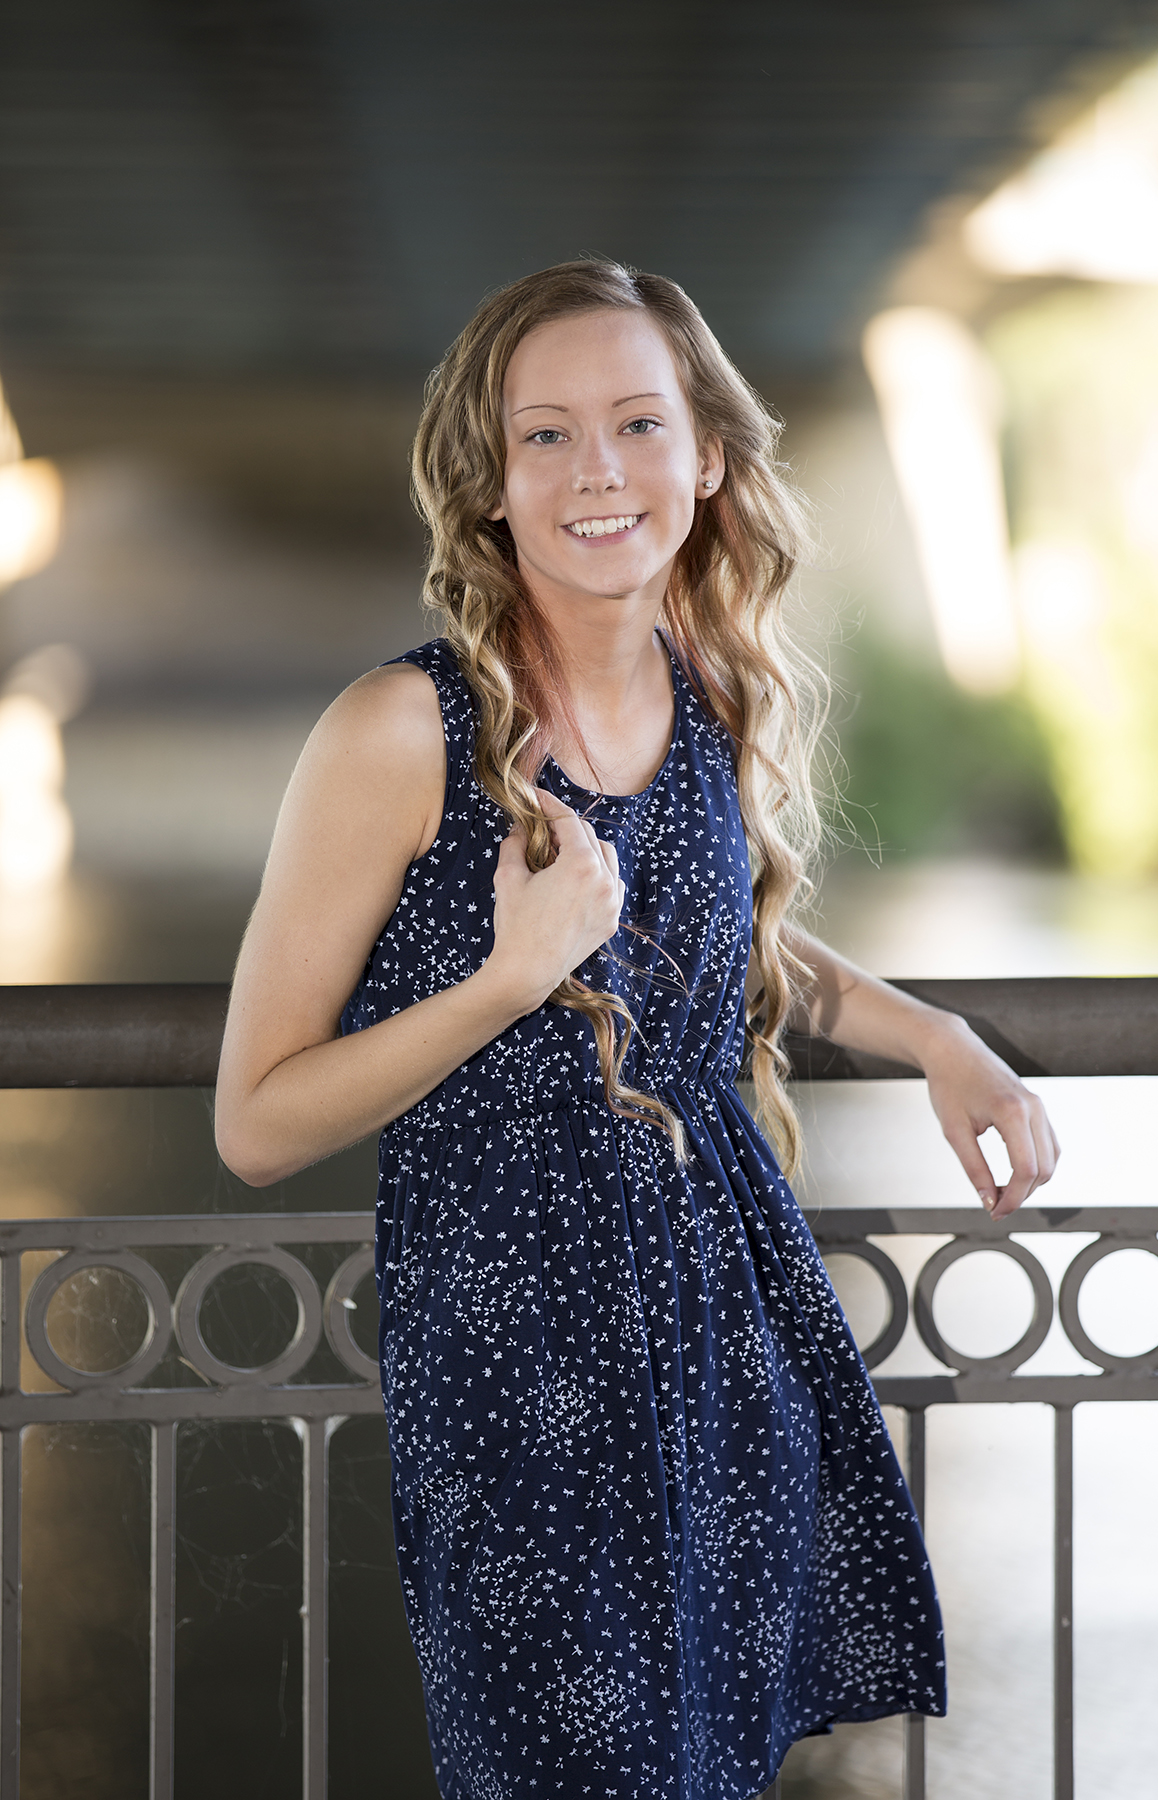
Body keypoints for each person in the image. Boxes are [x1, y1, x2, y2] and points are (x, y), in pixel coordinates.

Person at [215, 259, 1059, 1800]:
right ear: (490, 484)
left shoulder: (706, 690)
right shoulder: (400, 731)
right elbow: (257, 1122)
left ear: (708, 455)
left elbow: (721, 948)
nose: (597, 470)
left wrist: (933, 1033)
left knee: (712, 1762)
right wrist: (507, 978)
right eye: (545, 435)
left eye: (637, 423)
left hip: (722, 1327)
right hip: (515, 1368)